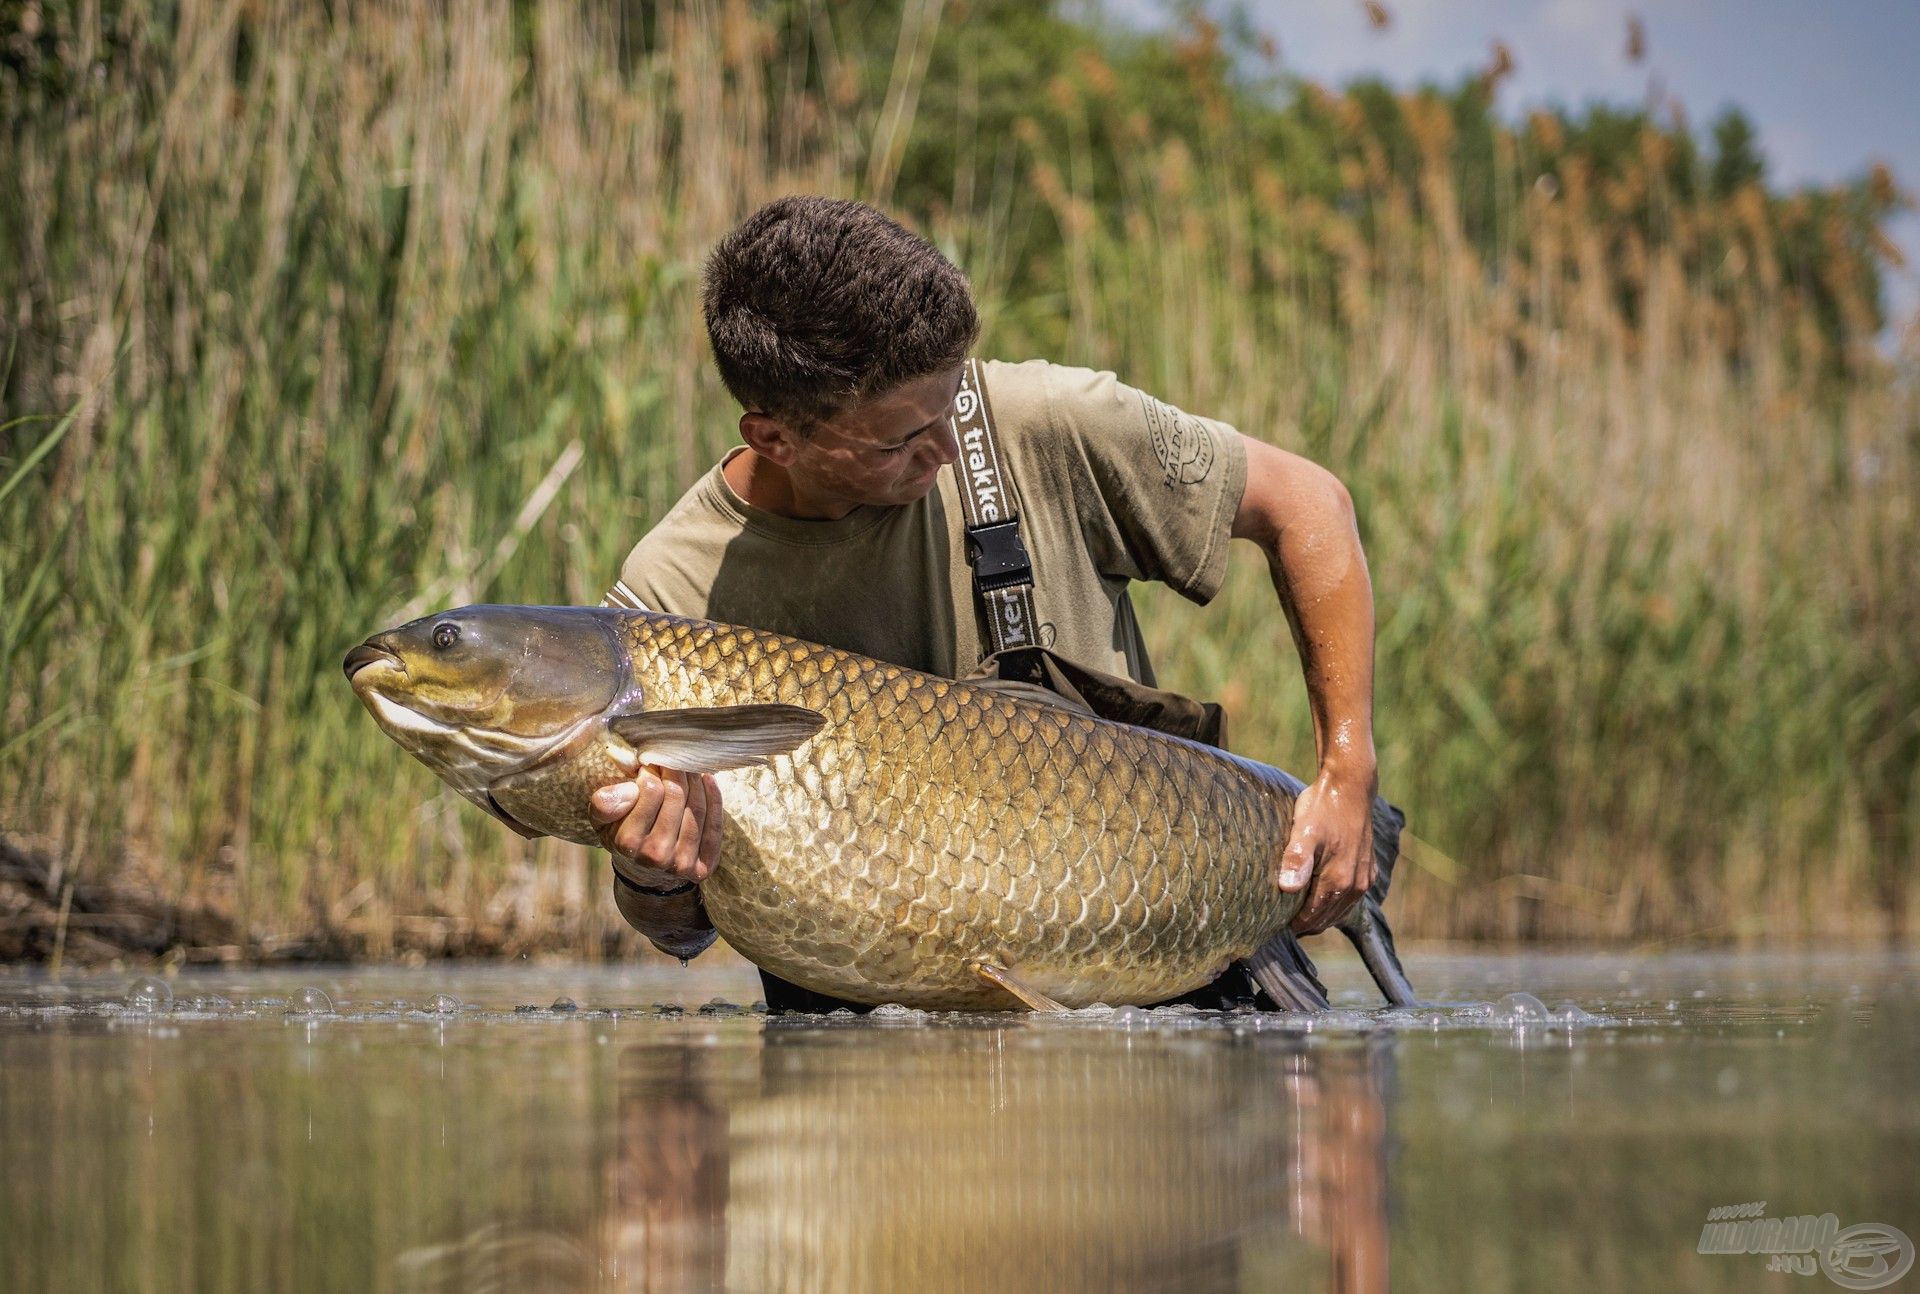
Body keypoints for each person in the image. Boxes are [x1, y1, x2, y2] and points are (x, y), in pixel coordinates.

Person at [591, 196, 1379, 1011]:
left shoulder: (1043, 421)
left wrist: (1346, 771)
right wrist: (650, 875)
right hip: (874, 1066)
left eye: (952, 401)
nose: (944, 449)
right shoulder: (668, 600)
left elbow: (1310, 503)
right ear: (776, 441)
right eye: (901, 439)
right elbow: (678, 933)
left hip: (1147, 990)